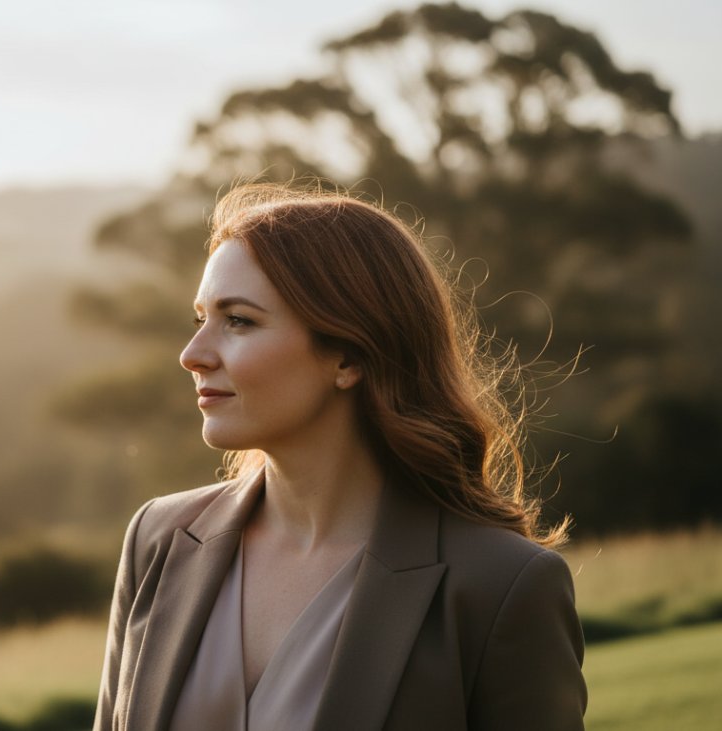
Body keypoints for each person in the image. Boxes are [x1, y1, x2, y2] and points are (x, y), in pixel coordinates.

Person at [93, 184, 586, 731]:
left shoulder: (501, 586)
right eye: (200, 319)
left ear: (348, 356)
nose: (193, 355)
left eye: (238, 320)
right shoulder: (158, 541)